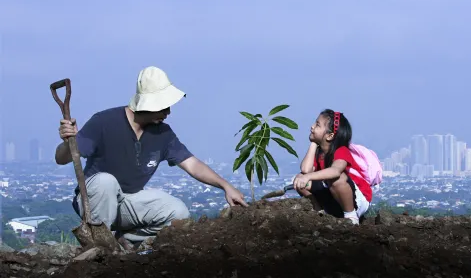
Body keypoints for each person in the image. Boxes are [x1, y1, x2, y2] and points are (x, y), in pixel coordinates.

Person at [55, 66, 248, 250]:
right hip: (95, 201)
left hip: (128, 202)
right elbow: (62, 158)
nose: (168, 113)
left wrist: (226, 186)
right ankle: (98, 246)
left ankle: (125, 242)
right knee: (106, 182)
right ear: (149, 104)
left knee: (178, 213)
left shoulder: (162, 133)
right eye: (164, 107)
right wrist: (67, 142)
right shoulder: (103, 122)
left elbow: (192, 164)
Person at [293, 109, 372, 225]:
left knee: (337, 178)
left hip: (357, 200)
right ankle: (319, 211)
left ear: (330, 136)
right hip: (334, 197)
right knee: (300, 180)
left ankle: (351, 216)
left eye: (317, 125)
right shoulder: (319, 153)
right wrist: (314, 143)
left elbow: (335, 171)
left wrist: (308, 176)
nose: (312, 127)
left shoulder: (341, 151)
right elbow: (305, 170)